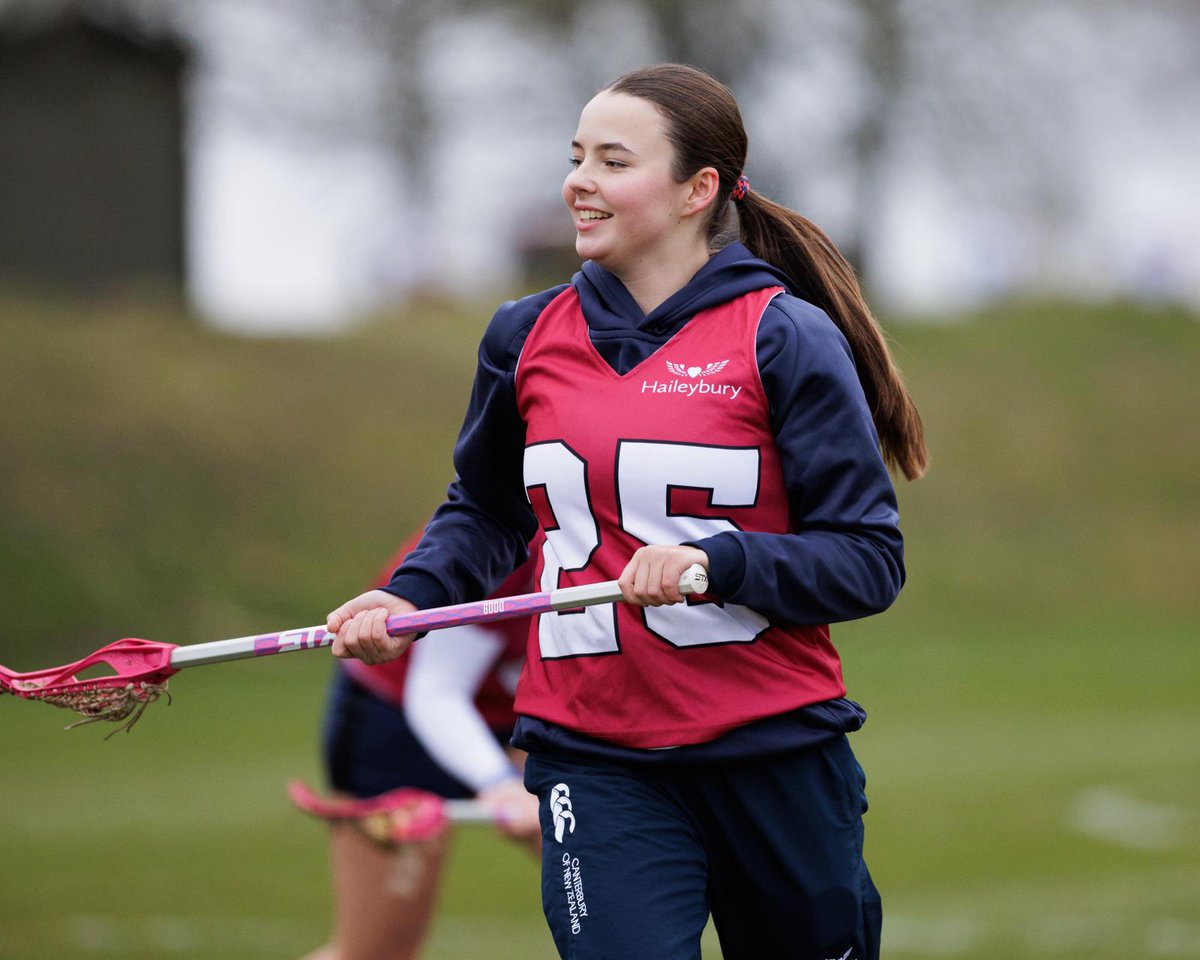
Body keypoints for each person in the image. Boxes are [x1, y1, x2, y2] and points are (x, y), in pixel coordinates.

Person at [327, 63, 927, 960]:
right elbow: (485, 512)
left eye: (613, 161)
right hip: (593, 757)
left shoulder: (785, 336)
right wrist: (410, 595)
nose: (579, 181)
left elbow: (867, 561)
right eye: (576, 157)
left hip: (773, 752)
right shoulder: (523, 335)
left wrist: (718, 563)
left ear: (698, 190)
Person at [302, 531, 540, 960]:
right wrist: (501, 783)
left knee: (619, 895)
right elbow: (437, 691)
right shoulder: (512, 529)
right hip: (400, 718)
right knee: (375, 953)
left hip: (524, 711)